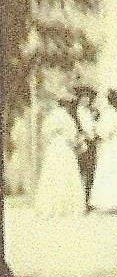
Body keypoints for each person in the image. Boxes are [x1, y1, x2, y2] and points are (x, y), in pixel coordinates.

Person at [34, 88, 87, 218]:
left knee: (53, 174)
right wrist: (77, 143)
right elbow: (71, 135)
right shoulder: (67, 118)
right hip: (64, 147)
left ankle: (51, 206)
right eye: (69, 103)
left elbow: (45, 133)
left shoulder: (51, 116)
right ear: (66, 104)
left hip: (53, 147)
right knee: (65, 173)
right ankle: (66, 206)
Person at [88, 89, 117, 213]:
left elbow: (103, 131)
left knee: (114, 169)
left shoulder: (109, 114)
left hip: (114, 143)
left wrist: (100, 136)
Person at [73, 85, 99, 209]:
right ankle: (76, 200)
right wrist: (81, 136)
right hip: (80, 143)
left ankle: (88, 201)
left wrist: (94, 135)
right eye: (83, 97)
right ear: (79, 98)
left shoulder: (92, 112)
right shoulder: (74, 113)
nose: (86, 100)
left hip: (91, 144)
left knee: (90, 172)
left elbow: (96, 127)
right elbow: (75, 128)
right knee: (78, 171)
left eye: (88, 97)